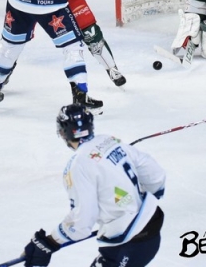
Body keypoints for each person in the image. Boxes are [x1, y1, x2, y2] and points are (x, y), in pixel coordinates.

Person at [21, 103, 166, 267]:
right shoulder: (109, 140)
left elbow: (82, 221)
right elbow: (155, 175)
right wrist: (141, 200)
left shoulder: (78, 166)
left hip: (129, 242)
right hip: (152, 228)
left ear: (62, 132)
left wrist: (50, 242)